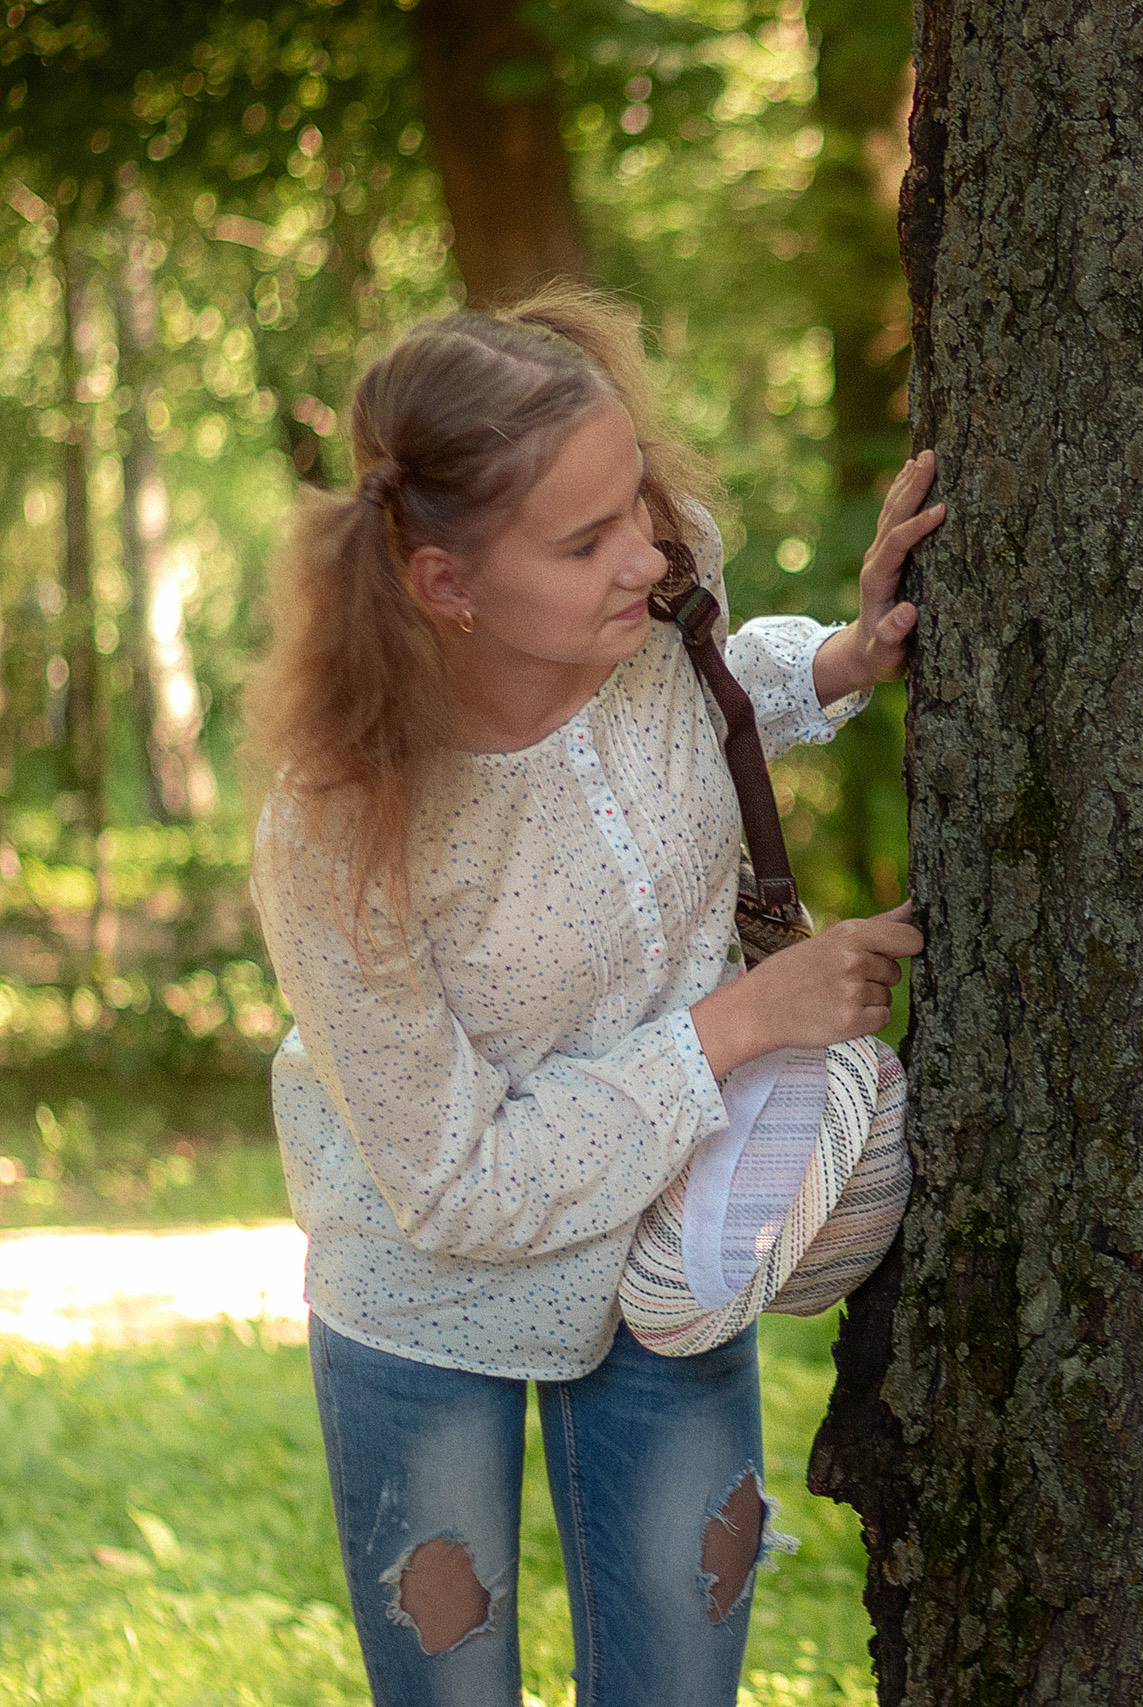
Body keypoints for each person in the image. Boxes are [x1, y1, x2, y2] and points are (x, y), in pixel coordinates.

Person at [247, 287, 940, 1706]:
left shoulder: (655, 609)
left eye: (638, 502)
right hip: (429, 1299)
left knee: (679, 1683)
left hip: (678, 1244)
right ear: (447, 585)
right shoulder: (341, 830)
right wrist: (748, 1018)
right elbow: (453, 1181)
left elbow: (712, 688)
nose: (651, 556)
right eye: (585, 540)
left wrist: (840, 660)